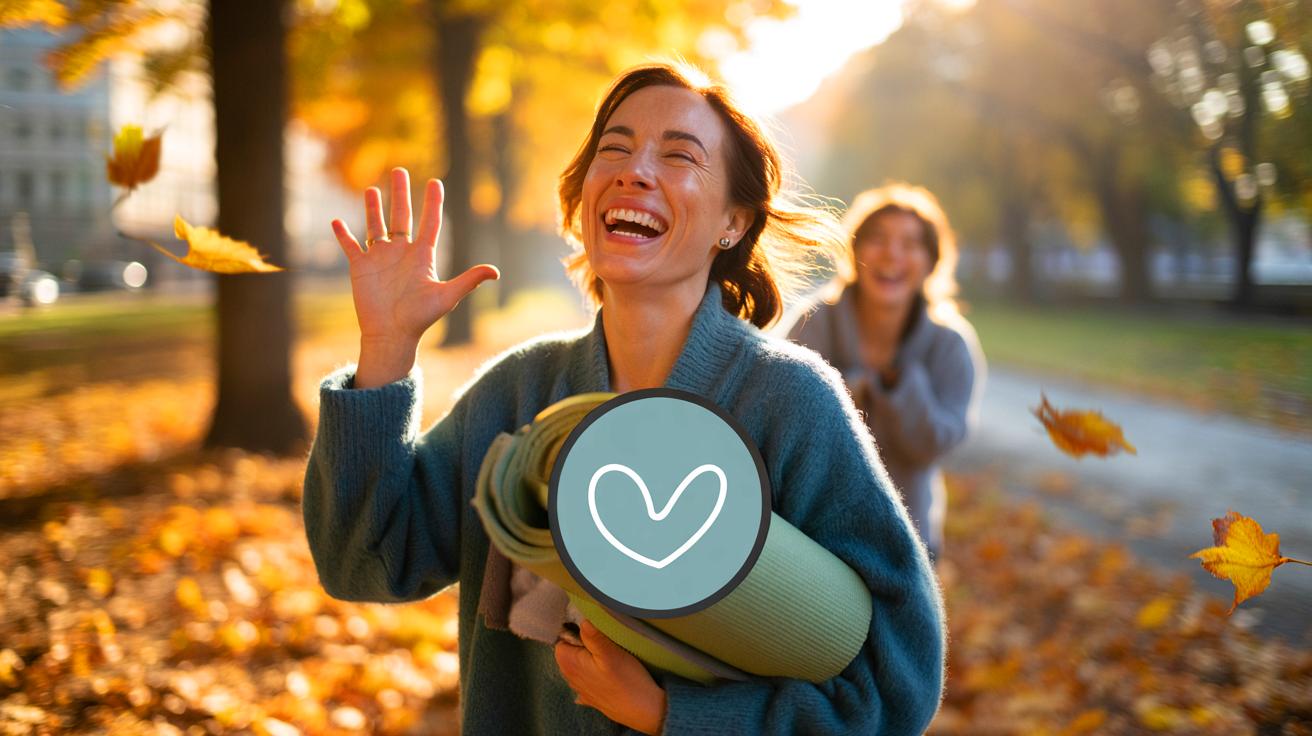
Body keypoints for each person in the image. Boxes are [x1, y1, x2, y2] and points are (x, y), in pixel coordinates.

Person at [303, 62, 945, 735]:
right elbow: (363, 564)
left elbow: (898, 682)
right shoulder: (516, 393)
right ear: (584, 197)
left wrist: (673, 714)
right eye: (615, 146)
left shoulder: (791, 402)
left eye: (678, 155)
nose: (634, 170)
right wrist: (385, 348)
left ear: (733, 219)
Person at [784, 183, 986, 563]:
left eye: (910, 244)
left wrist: (906, 387)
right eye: (878, 238)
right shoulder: (812, 324)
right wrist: (854, 385)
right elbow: (782, 421)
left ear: (930, 261)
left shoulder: (950, 346)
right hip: (812, 535)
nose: (892, 253)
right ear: (855, 250)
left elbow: (935, 444)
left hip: (908, 540)